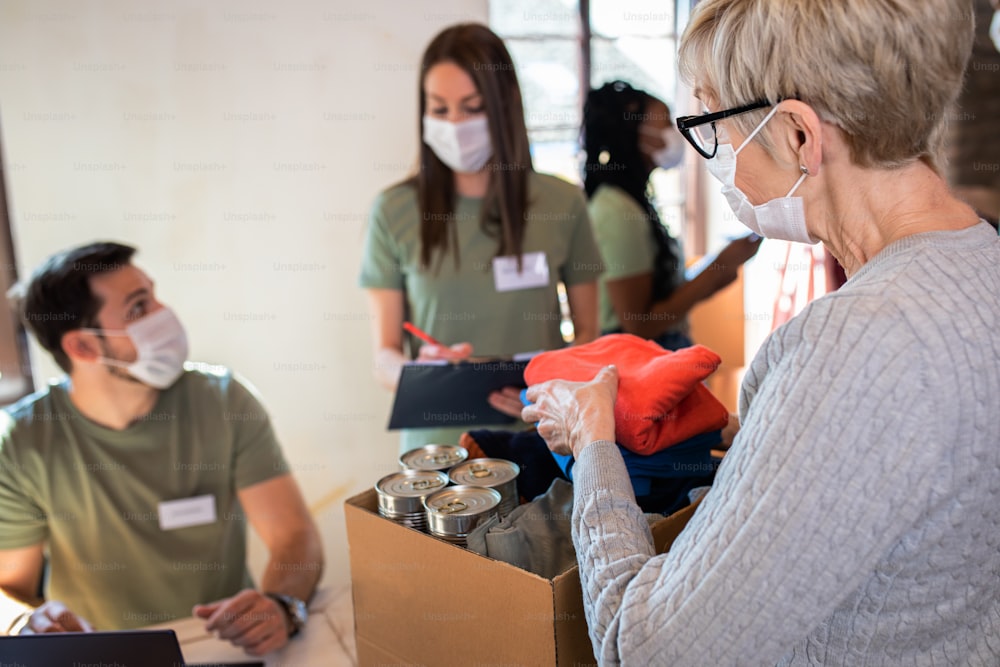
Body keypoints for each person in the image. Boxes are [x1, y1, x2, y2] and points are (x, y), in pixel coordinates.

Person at [523, 0, 1000, 664]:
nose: (711, 160)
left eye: (715, 129)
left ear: (799, 135)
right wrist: (767, 437)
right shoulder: (983, 257)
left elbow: (652, 651)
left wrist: (593, 444)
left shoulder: (855, 345)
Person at [0, 242, 323, 656]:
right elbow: (10, 587)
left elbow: (294, 535)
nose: (164, 315)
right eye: (138, 308)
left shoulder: (224, 402)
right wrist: (26, 621)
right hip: (101, 659)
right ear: (83, 347)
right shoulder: (22, 440)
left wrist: (282, 604)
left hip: (224, 650)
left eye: (153, 296)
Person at [360, 23, 602, 454]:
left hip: (544, 441)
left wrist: (546, 382)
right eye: (439, 109)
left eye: (472, 108)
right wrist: (419, 373)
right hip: (436, 454)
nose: (455, 125)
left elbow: (589, 335)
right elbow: (384, 357)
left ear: (504, 107)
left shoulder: (562, 203)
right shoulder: (393, 211)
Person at [583, 80, 761, 350]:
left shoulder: (631, 200)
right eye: (665, 123)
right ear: (634, 133)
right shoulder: (617, 211)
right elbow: (638, 324)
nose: (673, 132)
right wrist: (717, 270)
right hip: (640, 364)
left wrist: (719, 269)